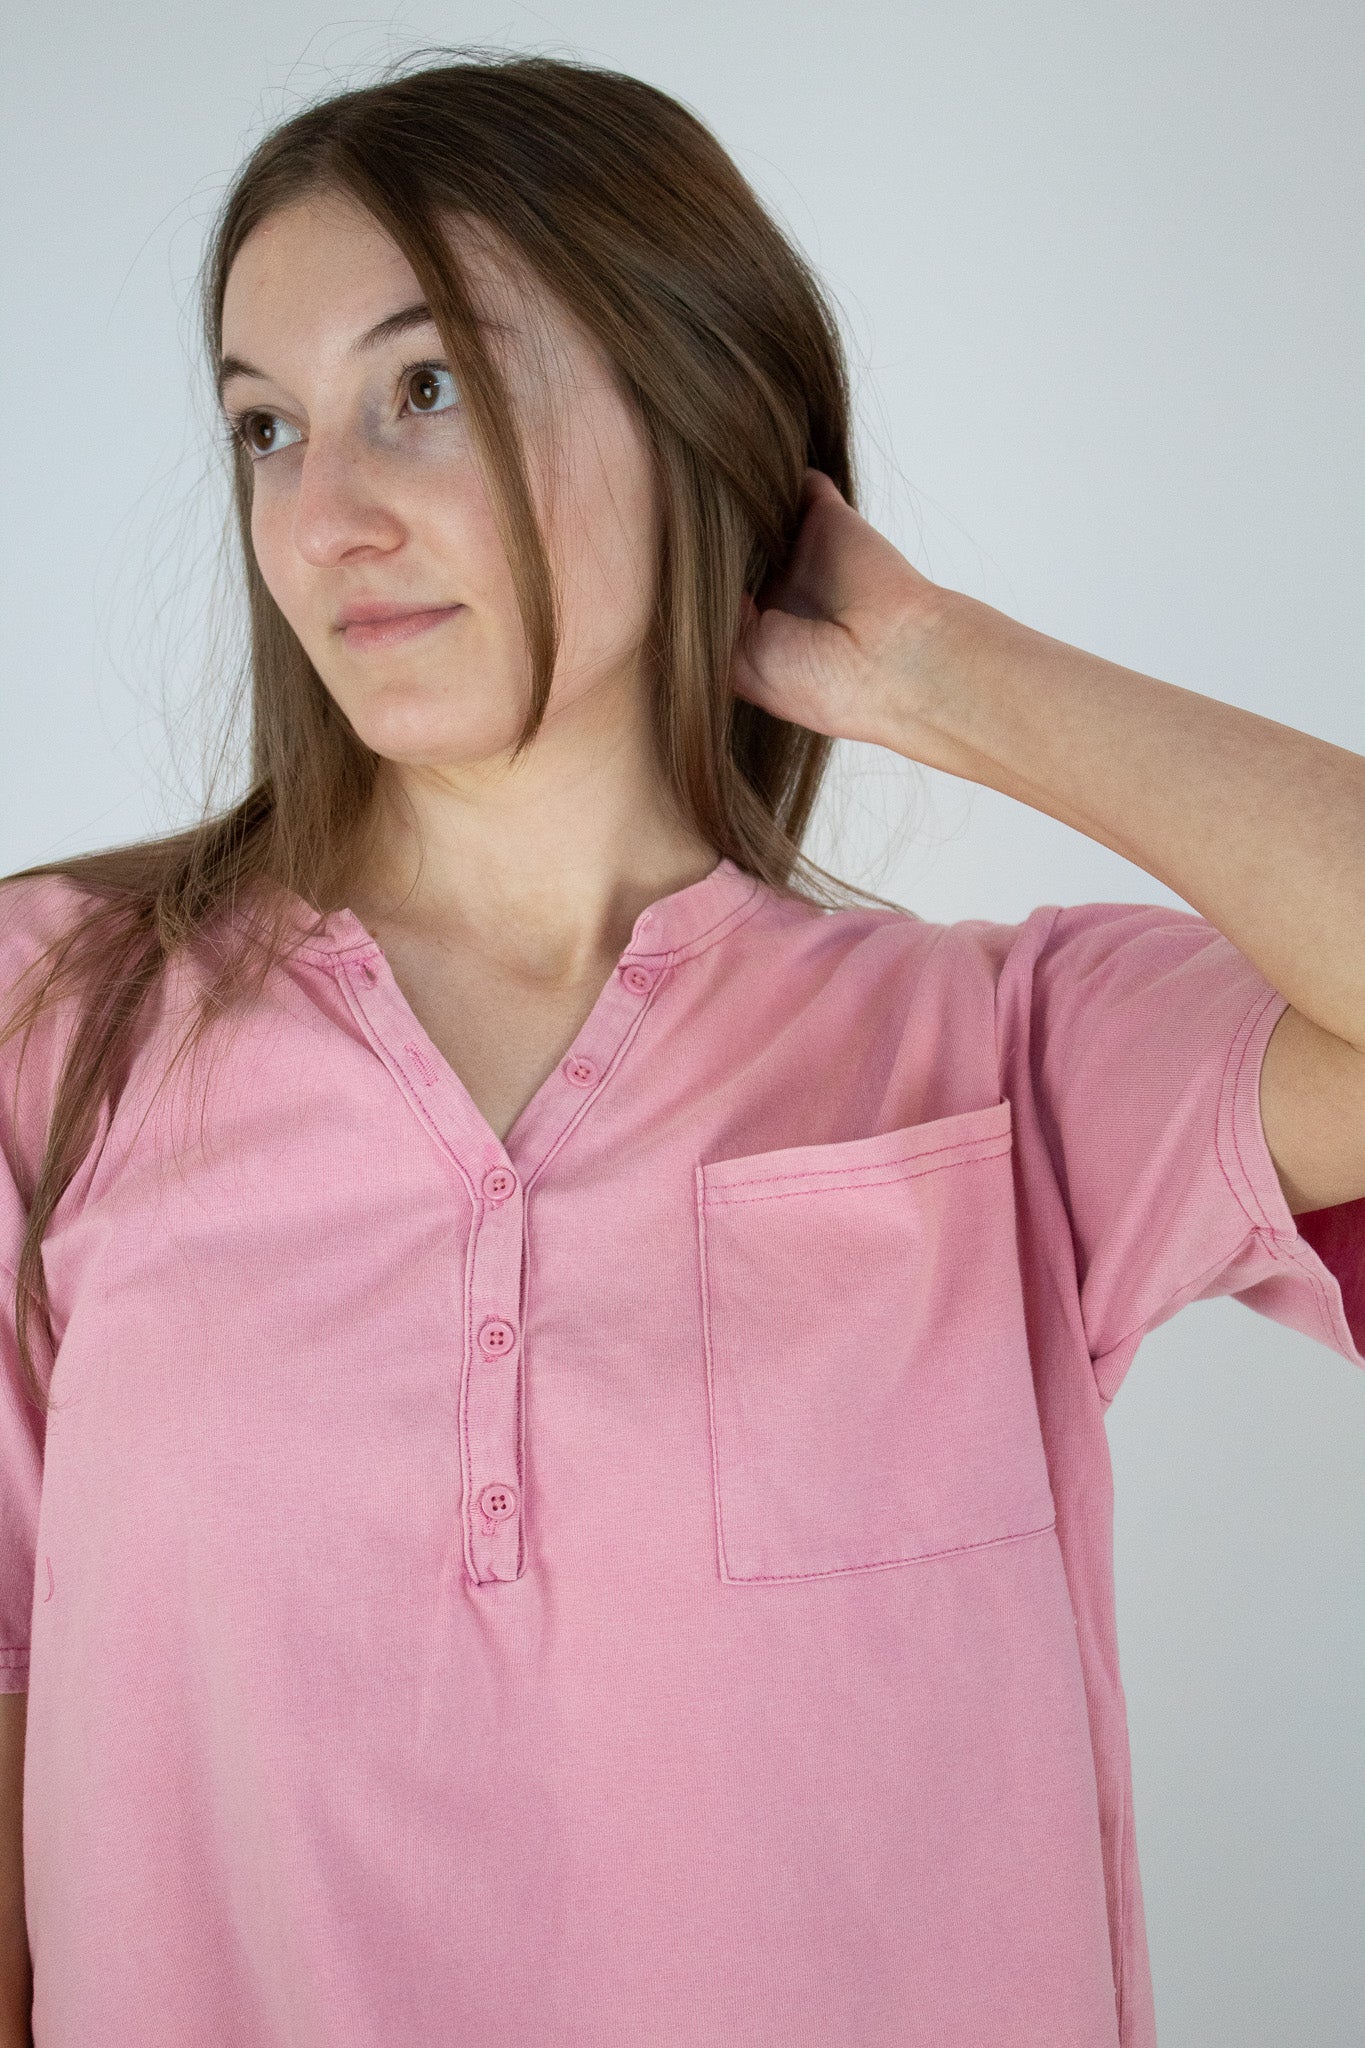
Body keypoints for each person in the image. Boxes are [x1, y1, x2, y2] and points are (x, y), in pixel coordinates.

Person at [1, 48, 1361, 2048]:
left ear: (692, 400)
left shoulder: (993, 1055)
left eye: (425, 388)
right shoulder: (64, 1021)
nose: (327, 518)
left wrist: (927, 668)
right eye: (265, 429)